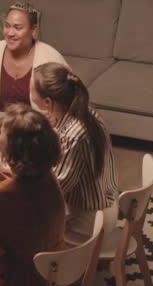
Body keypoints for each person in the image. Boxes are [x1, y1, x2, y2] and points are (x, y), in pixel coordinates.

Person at [0, 104, 66, 286]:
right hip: (52, 272)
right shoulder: (48, 174)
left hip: (19, 279)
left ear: (13, 149)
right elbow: (23, 193)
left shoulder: (1, 194)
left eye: (2, 131)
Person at [31, 62, 119, 239]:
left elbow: (53, 192)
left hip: (89, 221)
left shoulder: (73, 135)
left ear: (47, 102)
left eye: (32, 90)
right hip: (107, 205)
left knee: (20, 223)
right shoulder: (86, 111)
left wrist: (14, 175)